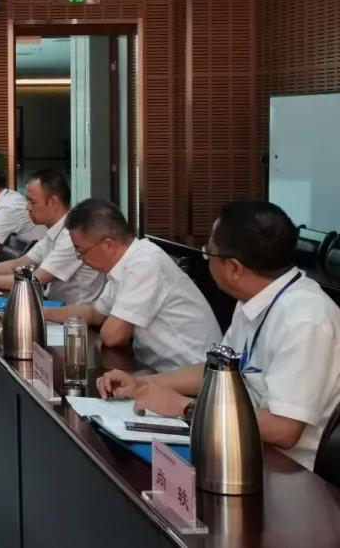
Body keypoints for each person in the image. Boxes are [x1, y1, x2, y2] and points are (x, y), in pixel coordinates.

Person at [98, 200, 340, 470]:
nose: (206, 259)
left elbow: (283, 429)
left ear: (234, 268)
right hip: (238, 445)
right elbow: (217, 371)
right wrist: (144, 384)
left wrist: (186, 408)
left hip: (284, 470)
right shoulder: (254, 298)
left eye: (208, 253)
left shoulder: (306, 320)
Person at [44, 198, 220, 371]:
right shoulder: (125, 263)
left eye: (81, 251)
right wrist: (43, 313)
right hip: (155, 372)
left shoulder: (145, 263)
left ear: (107, 245)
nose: (79, 258)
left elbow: (113, 336)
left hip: (192, 375)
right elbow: (95, 313)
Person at [0, 170, 107, 304]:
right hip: (54, 306)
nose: (27, 207)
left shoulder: (71, 235)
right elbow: (19, 264)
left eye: (32, 202)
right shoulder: (54, 231)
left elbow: (33, 280)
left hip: (74, 315)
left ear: (53, 202)